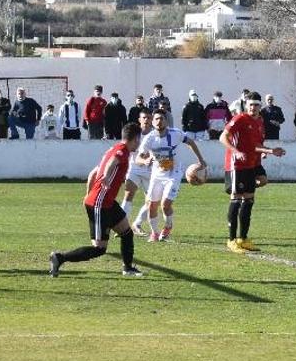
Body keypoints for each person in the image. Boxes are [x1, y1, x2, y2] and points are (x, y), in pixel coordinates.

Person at [48, 122, 144, 279]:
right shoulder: (121, 151)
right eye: (138, 140)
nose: (139, 143)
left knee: (127, 233)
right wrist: (106, 175)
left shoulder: (113, 149)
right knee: (99, 248)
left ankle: (128, 268)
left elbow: (93, 173)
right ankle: (59, 258)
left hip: (106, 202)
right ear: (135, 138)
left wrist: (88, 194)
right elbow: (113, 162)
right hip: (99, 204)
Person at [221, 92, 286, 253]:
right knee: (236, 199)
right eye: (251, 104)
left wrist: (269, 151)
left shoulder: (259, 121)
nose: (253, 107)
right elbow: (223, 137)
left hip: (250, 164)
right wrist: (235, 151)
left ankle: (243, 239)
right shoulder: (239, 119)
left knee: (249, 200)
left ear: (260, 106)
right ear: (246, 104)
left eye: (256, 104)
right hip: (236, 165)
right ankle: (231, 240)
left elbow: (254, 144)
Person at [134, 109, 208, 242]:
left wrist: (200, 160)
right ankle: (155, 233)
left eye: (161, 118)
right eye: (156, 119)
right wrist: (144, 161)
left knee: (165, 204)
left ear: (166, 121)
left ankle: (168, 226)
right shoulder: (149, 138)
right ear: (152, 121)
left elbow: (190, 142)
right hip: (157, 174)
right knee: (152, 205)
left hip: (174, 173)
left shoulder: (176, 134)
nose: (159, 121)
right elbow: (138, 159)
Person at [119, 110, 152, 217]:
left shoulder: (155, 135)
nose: (146, 120)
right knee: (128, 195)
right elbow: (128, 149)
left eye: (148, 118)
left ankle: (137, 224)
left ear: (151, 120)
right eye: (144, 118)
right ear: (139, 120)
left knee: (151, 201)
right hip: (134, 168)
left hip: (150, 171)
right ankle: (121, 224)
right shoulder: (134, 134)